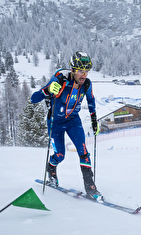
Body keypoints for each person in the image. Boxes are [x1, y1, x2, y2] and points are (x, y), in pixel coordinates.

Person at [31, 51, 101, 200]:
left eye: (86, 71)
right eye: (81, 71)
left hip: (73, 121)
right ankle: (51, 168)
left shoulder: (86, 84)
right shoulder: (60, 78)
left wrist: (94, 120)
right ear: (73, 69)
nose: (84, 75)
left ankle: (90, 187)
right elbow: (34, 98)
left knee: (83, 151)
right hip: (55, 123)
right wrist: (48, 90)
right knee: (60, 155)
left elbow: (91, 101)